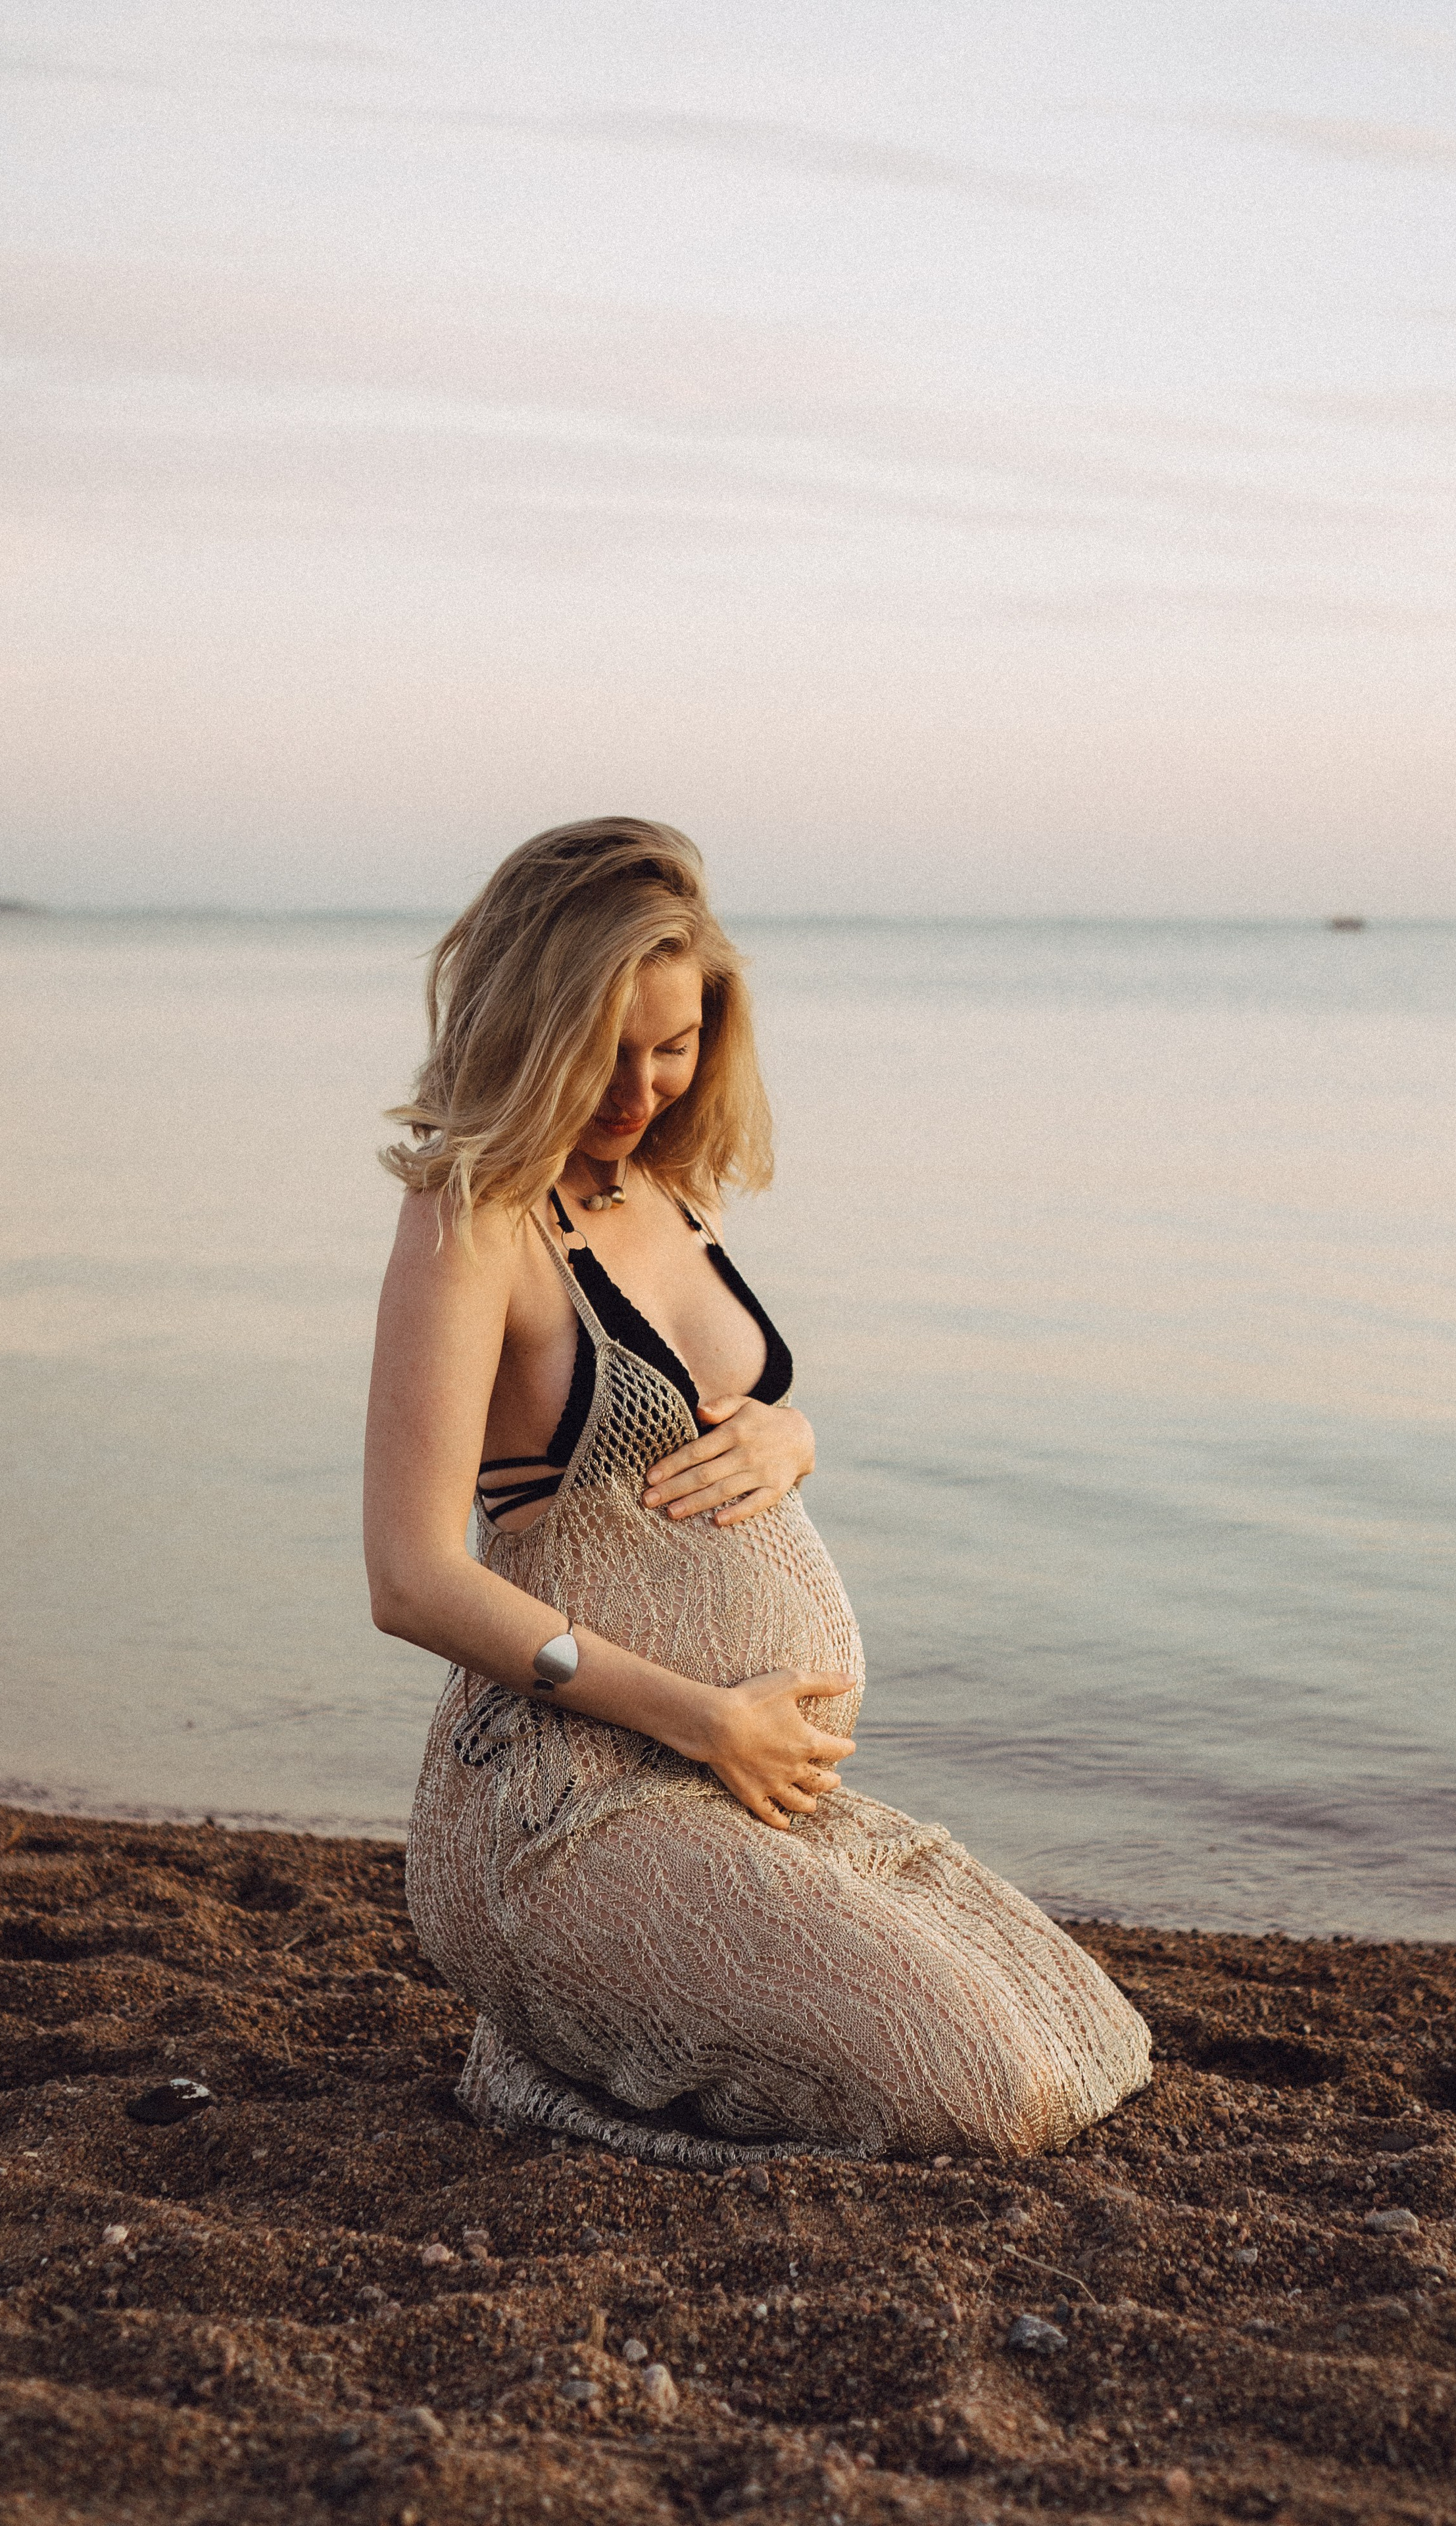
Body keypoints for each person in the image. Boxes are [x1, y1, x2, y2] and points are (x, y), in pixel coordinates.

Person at [365, 818, 1150, 2164]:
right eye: (606, 1050)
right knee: (976, 2101)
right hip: (567, 1808)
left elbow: (703, 1408)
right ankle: (537, 2068)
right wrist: (702, 1714)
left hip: (734, 1791)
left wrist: (790, 1437)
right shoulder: (473, 1217)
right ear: (529, 1023)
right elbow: (411, 1575)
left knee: (1088, 2042)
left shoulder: (666, 1190)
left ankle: (599, 2023)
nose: (642, 1085)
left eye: (673, 1045)